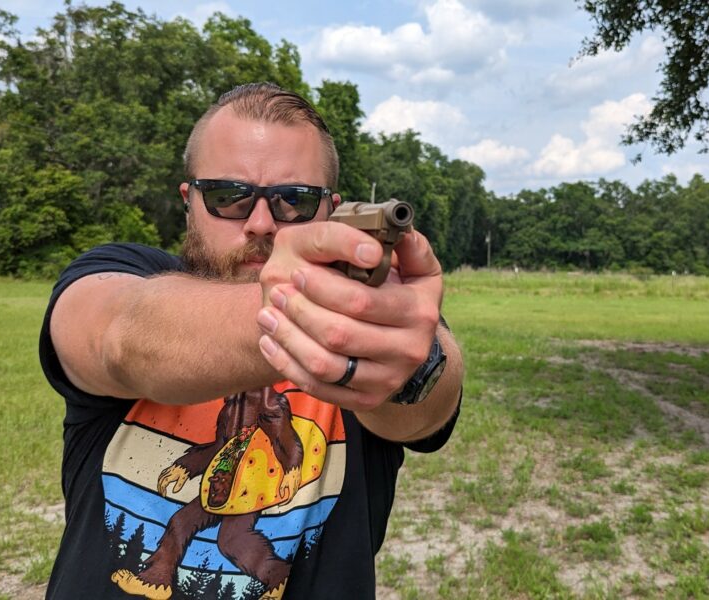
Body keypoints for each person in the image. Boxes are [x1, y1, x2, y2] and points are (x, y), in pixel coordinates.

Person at [39, 83, 464, 600]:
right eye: (228, 196)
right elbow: (122, 337)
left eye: (294, 201)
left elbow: (427, 407)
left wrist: (406, 360)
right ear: (188, 201)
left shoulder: (366, 312)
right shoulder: (121, 274)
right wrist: (304, 310)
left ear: (329, 210)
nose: (261, 222)